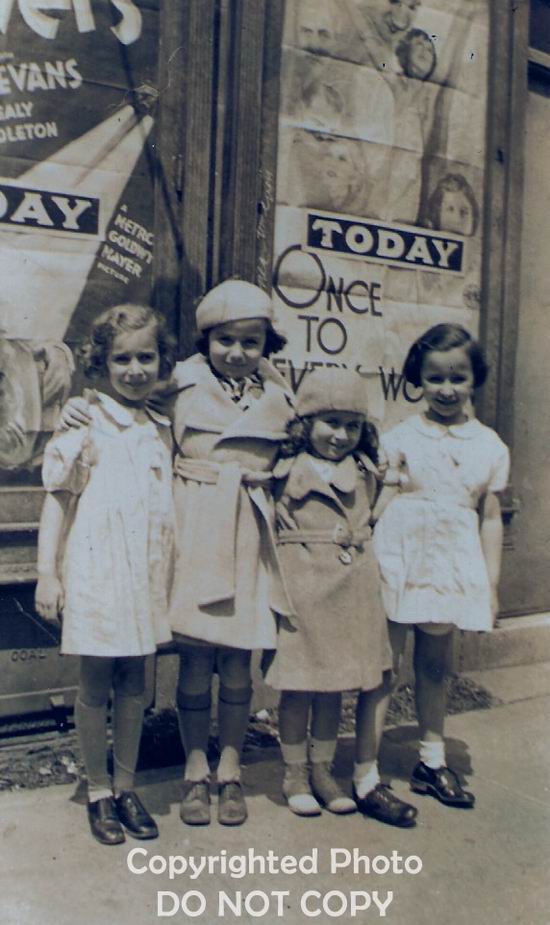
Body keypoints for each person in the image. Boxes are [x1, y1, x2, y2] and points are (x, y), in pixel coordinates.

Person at [34, 303, 176, 845]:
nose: (136, 369)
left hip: (143, 574)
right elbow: (58, 500)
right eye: (123, 359)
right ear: (102, 362)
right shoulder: (85, 420)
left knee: (135, 683)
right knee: (96, 682)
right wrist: (48, 573)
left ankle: (126, 786)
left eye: (147, 357)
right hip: (97, 572)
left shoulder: (161, 426)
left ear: (162, 362)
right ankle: (97, 792)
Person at [265, 367, 417, 826]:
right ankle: (294, 774)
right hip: (302, 591)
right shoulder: (284, 471)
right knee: (298, 689)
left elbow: (378, 505)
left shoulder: (367, 472)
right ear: (305, 424)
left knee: (331, 690)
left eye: (352, 426)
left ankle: (323, 772)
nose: (341, 435)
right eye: (330, 423)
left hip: (347, 592)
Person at [167, 280, 294, 827]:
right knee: (197, 655)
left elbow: (314, 443)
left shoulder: (281, 396)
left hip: (250, 526)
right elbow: (118, 403)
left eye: (251, 342)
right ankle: (195, 767)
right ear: (206, 339)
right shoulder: (177, 384)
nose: (238, 352)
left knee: (238, 661)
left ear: (266, 346)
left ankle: (232, 767)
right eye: (226, 340)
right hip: (196, 521)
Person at [372, 323, 510, 807]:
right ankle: (366, 771)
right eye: (435, 379)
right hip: (398, 556)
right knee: (381, 664)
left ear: (475, 380)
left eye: (458, 378)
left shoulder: (489, 446)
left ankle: (432, 761)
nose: (447, 389)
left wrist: (489, 583)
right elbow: (383, 499)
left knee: (434, 665)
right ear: (419, 380)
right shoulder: (400, 437)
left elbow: (489, 517)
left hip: (449, 562)